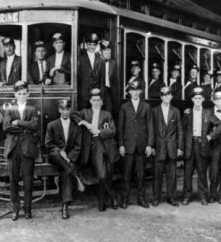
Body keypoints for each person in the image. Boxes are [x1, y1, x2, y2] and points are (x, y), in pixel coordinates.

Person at [71, 88, 119, 212]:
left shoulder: (106, 114)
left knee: (104, 176)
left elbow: (113, 131)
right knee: (102, 176)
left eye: (98, 100)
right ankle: (112, 197)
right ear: (90, 101)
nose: (96, 102)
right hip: (91, 148)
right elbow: (72, 114)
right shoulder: (85, 112)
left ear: (102, 102)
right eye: (94, 100)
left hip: (104, 147)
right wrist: (85, 123)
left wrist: (100, 131)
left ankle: (102, 202)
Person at [3, 81, 39, 220]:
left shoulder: (32, 109)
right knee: (13, 180)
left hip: (27, 148)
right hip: (13, 148)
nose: (22, 96)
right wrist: (25, 128)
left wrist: (17, 122)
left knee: (28, 180)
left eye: (24, 94)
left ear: (28, 94)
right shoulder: (10, 109)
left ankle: (28, 210)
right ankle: (15, 210)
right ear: (15, 94)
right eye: (19, 94)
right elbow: (6, 127)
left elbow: (34, 125)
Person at [181, 87, 221, 205]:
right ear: (192, 99)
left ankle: (203, 196)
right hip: (190, 145)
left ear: (203, 99)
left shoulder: (208, 113)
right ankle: (186, 196)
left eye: (200, 98)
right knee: (188, 172)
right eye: (196, 98)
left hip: (202, 145)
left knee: (202, 171)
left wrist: (210, 136)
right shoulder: (187, 113)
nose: (198, 100)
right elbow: (183, 130)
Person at [45, 99, 85, 219]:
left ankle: (65, 206)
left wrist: (69, 157)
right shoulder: (52, 125)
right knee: (57, 155)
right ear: (59, 110)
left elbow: (78, 146)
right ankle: (76, 177)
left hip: (68, 159)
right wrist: (60, 152)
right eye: (63, 109)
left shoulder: (76, 126)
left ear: (70, 110)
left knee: (65, 173)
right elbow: (48, 144)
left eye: (67, 109)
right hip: (56, 156)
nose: (65, 112)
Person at [118, 80, 153, 209]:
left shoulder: (146, 107)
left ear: (140, 91)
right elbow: (120, 127)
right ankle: (125, 199)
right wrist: (121, 144)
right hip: (128, 146)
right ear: (129, 92)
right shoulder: (124, 107)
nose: (135, 92)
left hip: (141, 146)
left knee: (141, 174)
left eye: (137, 90)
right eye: (132, 90)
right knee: (126, 175)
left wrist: (149, 144)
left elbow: (150, 126)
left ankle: (141, 199)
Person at [150, 87, 183, 207]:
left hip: (172, 147)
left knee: (172, 175)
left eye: (168, 94)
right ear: (161, 97)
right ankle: (156, 198)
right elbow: (151, 129)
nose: (166, 97)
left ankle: (171, 198)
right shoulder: (154, 111)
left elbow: (180, 130)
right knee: (157, 174)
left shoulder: (176, 111)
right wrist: (151, 145)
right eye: (163, 95)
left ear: (171, 96)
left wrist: (180, 147)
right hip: (159, 147)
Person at [77, 33, 102, 109]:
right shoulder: (80, 58)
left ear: (96, 46)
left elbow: (102, 78)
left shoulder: (100, 59)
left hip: (96, 94)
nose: (91, 47)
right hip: (83, 93)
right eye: (90, 44)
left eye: (94, 45)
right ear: (87, 45)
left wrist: (100, 92)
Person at [99, 39, 118, 117]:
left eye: (109, 50)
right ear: (101, 52)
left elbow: (116, 80)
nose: (108, 53)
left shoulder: (113, 63)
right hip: (99, 91)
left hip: (109, 92)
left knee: (109, 112)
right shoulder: (97, 61)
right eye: (105, 51)